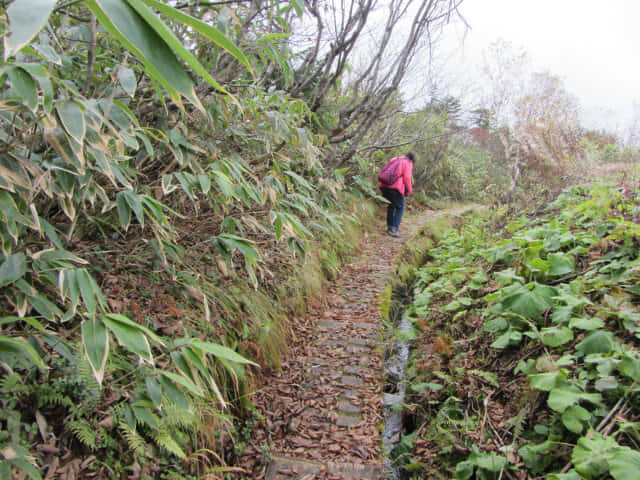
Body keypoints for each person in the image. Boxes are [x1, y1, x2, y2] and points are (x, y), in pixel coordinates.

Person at [378, 151, 415, 237]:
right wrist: (409, 190)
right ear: (412, 159)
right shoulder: (408, 162)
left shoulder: (395, 159)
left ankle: (390, 228)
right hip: (395, 188)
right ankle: (394, 229)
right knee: (400, 207)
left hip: (384, 185)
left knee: (391, 205)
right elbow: (407, 177)